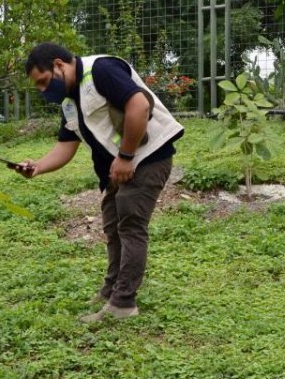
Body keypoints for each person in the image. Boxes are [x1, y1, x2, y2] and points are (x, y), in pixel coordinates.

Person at [15, 42, 184, 323]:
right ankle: (111, 292)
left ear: (59, 64)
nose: (44, 90)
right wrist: (37, 167)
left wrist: (127, 155)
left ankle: (123, 304)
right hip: (118, 168)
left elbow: (139, 106)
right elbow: (65, 146)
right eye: (38, 87)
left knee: (130, 225)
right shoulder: (70, 101)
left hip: (148, 157)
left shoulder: (100, 70)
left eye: (44, 82)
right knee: (113, 224)